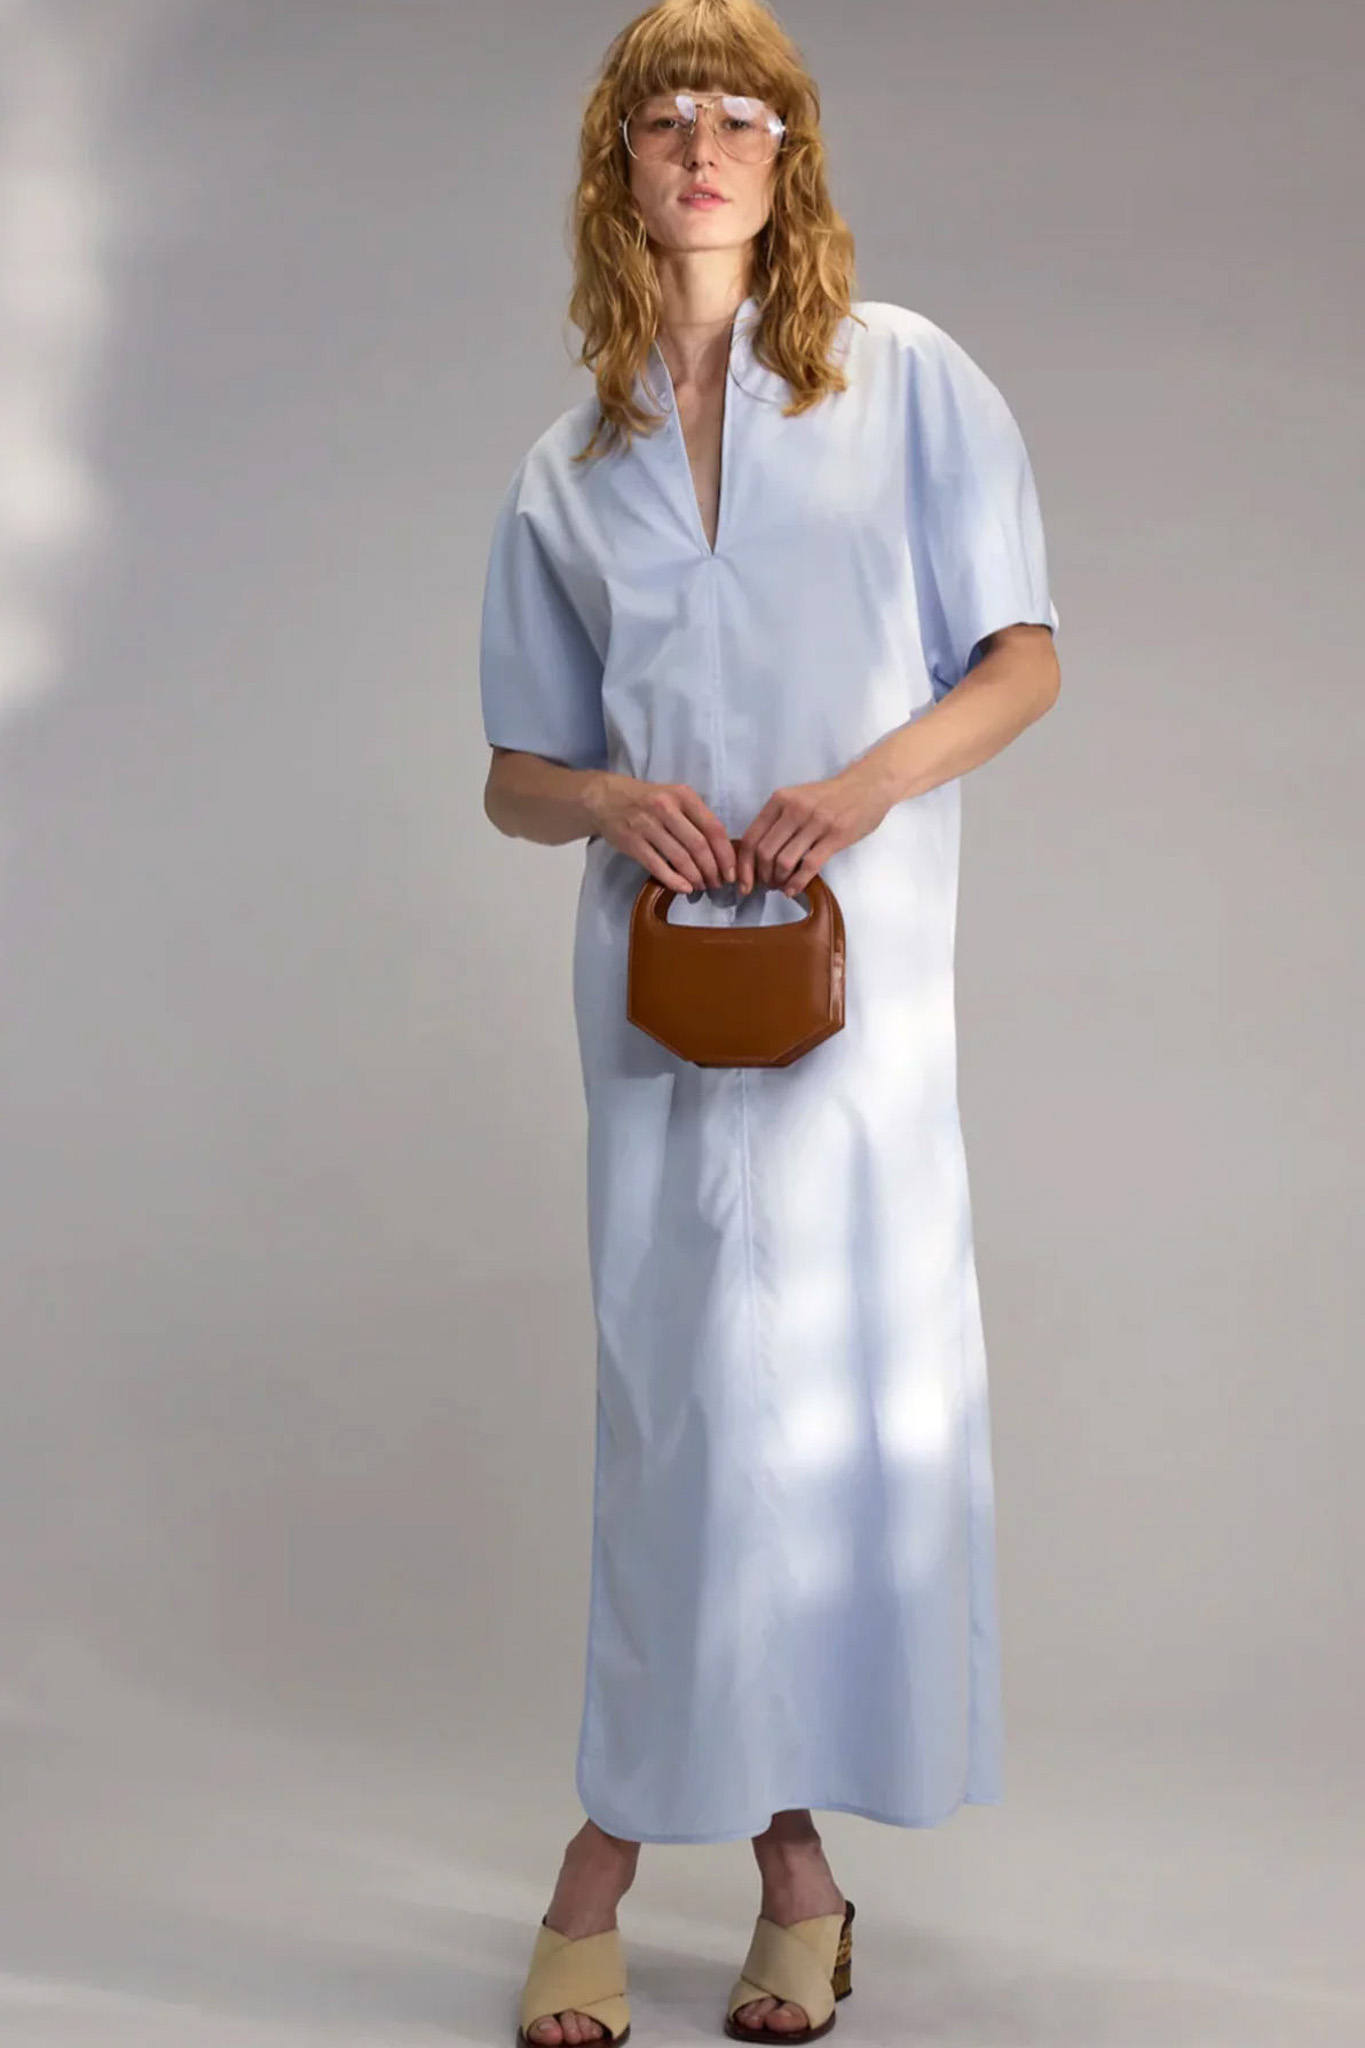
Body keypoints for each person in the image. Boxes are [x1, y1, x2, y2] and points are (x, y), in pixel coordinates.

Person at [478, 4, 1061, 2043]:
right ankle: (759, 1871)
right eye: (665, 118)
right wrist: (604, 797)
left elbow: (1020, 656)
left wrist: (867, 784)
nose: (703, 145)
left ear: (787, 155)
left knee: (815, 1420)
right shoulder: (572, 463)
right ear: (619, 167)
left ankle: (651, 1865)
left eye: (741, 114)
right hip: (655, 995)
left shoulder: (901, 382)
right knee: (681, 1420)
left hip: (852, 988)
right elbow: (512, 772)